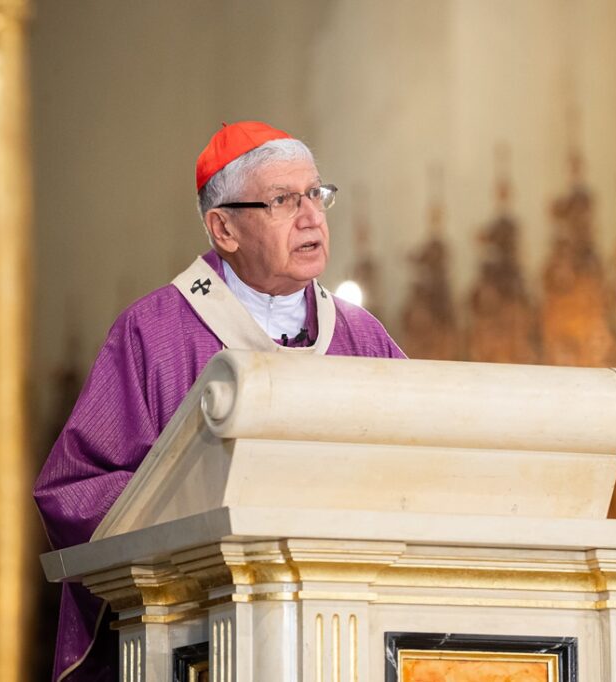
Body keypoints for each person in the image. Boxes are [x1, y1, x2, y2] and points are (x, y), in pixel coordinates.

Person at [34, 121, 405, 681]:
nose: (311, 217)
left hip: (349, 633)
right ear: (224, 228)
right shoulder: (155, 333)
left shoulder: (361, 337)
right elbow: (74, 488)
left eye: (315, 193)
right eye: (283, 201)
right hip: (197, 638)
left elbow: (418, 461)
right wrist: (198, 521)